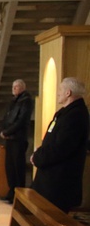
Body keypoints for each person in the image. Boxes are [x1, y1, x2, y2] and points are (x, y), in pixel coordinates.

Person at [31, 77, 89, 212]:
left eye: (60, 90)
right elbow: (52, 140)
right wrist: (39, 153)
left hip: (58, 183)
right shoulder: (66, 112)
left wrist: (38, 157)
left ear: (68, 93)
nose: (58, 93)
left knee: (50, 221)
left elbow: (61, 147)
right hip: (50, 180)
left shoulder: (75, 115)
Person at [0, 79, 33, 203]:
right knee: (10, 167)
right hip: (10, 139)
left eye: (17, 87)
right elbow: (7, 117)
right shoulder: (13, 101)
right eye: (13, 86)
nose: (14, 89)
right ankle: (11, 191)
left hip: (18, 138)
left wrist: (8, 132)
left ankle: (19, 195)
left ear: (23, 88)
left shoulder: (26, 101)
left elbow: (21, 120)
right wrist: (4, 130)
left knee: (18, 167)